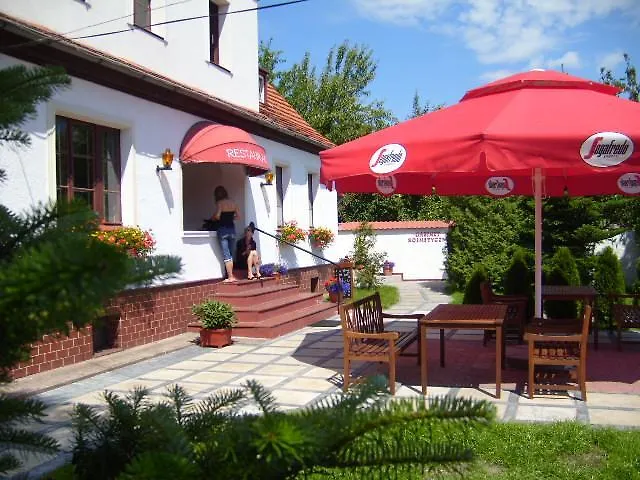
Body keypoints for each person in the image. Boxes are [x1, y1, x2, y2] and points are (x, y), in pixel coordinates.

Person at [213, 185, 239, 282]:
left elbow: (218, 216)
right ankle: (231, 275)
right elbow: (238, 216)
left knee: (226, 255)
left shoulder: (220, 203)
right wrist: (230, 218)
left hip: (223, 230)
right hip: (232, 230)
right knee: (231, 254)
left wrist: (215, 217)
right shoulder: (233, 203)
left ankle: (230, 277)